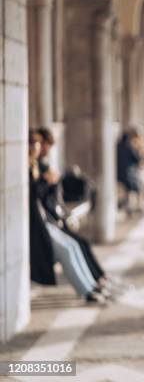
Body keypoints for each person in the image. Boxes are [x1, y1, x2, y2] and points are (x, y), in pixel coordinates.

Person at [28, 130, 107, 304]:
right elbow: (31, 197)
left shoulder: (36, 166)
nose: (37, 147)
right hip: (35, 225)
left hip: (45, 221)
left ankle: (93, 284)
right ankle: (87, 291)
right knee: (67, 249)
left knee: (73, 245)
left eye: (38, 144)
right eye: (33, 144)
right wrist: (47, 182)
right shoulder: (28, 167)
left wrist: (51, 183)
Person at [117, 126, 144, 215]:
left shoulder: (117, 146)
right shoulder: (129, 147)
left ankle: (128, 206)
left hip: (118, 175)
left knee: (132, 186)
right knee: (141, 183)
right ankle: (139, 207)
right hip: (127, 175)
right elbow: (138, 160)